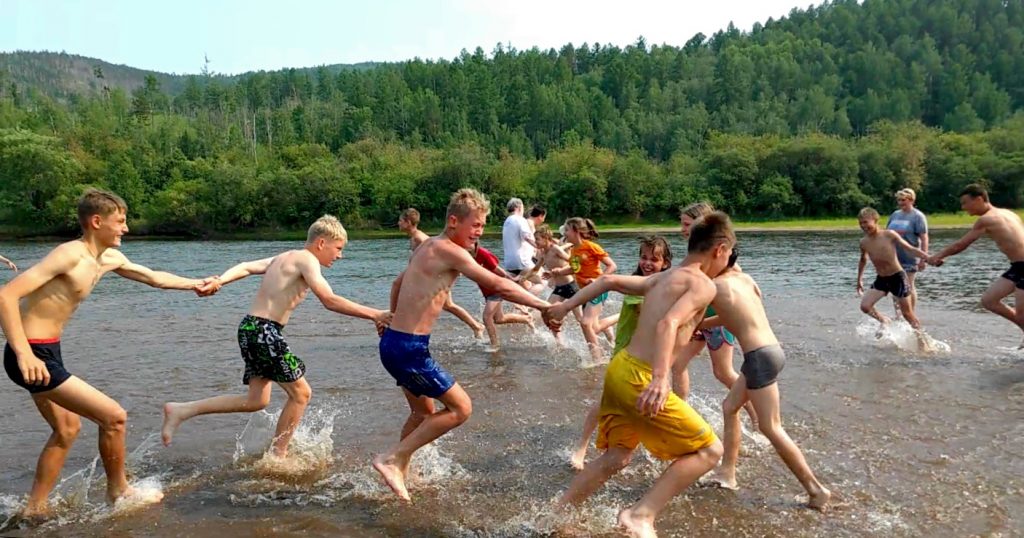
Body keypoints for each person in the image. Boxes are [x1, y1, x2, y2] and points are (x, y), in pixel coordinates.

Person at [0, 189, 212, 518]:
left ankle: (33, 508)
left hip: (48, 350)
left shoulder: (108, 258)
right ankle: (119, 492)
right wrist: (25, 354)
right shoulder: (69, 255)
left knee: (67, 430)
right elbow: (6, 296)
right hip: (30, 354)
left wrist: (197, 283)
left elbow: (153, 278)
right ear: (97, 222)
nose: (125, 229)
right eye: (120, 222)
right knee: (114, 417)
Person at [543, 213, 735, 538]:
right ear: (719, 249)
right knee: (709, 451)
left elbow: (607, 281)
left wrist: (564, 307)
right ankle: (640, 516)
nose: (729, 260)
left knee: (618, 456)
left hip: (620, 368)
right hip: (641, 377)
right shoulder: (702, 284)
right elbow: (668, 323)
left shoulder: (665, 278)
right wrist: (661, 378)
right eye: (729, 254)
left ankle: (556, 514)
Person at [373, 189, 553, 502]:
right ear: (454, 221)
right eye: (476, 226)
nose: (480, 232)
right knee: (461, 408)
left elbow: (398, 284)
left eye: (483, 226)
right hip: (409, 349)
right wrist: (545, 307)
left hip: (396, 344)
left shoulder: (427, 246)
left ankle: (402, 468)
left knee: (422, 413)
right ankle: (392, 459)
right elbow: (497, 285)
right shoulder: (449, 250)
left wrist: (390, 316)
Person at [160, 216, 392, 458]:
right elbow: (329, 300)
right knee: (301, 394)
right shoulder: (307, 259)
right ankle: (278, 455)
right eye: (339, 248)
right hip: (264, 331)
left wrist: (220, 279)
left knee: (256, 401)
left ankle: (182, 410)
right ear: (321, 243)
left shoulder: (283, 257)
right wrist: (376, 314)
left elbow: (246, 266)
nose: (340, 256)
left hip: (250, 329)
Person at [699, 253, 831, 511]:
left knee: (771, 427)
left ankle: (816, 490)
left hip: (758, 358)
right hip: (771, 351)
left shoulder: (716, 287)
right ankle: (728, 472)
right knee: (729, 407)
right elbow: (736, 316)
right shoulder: (744, 279)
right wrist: (702, 323)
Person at [564, 235, 673, 471]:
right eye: (643, 257)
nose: (647, 263)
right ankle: (581, 447)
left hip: (651, 358)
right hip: (626, 354)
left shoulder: (666, 285)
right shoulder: (637, 283)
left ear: (665, 263)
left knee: (653, 401)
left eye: (653, 259)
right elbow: (650, 312)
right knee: (606, 399)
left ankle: (648, 448)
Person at [670, 202, 754, 428]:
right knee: (677, 364)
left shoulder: (721, 255)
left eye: (686, 224)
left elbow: (738, 277)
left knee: (723, 372)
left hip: (718, 321)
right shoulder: (695, 249)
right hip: (698, 319)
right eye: (682, 224)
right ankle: (680, 414)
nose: (682, 229)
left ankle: (758, 416)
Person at [928, 183, 1024, 346]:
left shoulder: (986, 219)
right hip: (1017, 267)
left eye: (965, 202)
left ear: (979, 199)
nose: (963, 207)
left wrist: (938, 256)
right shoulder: (1008, 213)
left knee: (1022, 315)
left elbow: (961, 244)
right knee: (989, 300)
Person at [397, 208, 484, 339]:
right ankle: (475, 326)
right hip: (432, 277)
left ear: (408, 222)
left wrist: (453, 269)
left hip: (439, 276)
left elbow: (438, 252)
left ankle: (476, 326)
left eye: (400, 220)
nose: (398, 223)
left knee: (448, 304)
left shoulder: (420, 238)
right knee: (447, 305)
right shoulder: (414, 238)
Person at [551, 218, 617, 362]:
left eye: (567, 230)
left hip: (598, 289)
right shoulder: (574, 250)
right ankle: (620, 316)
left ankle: (596, 359)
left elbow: (612, 266)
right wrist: (558, 272)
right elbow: (574, 269)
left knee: (585, 323)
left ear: (576, 231)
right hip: (585, 292)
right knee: (594, 327)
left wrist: (599, 281)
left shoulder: (591, 246)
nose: (564, 234)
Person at [856, 207, 929, 336]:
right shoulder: (864, 242)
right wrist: (859, 280)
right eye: (861, 223)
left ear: (875, 220)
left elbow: (910, 248)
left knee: (907, 314)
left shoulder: (889, 235)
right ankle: (884, 320)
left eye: (866, 222)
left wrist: (927, 257)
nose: (863, 226)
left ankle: (922, 340)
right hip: (882, 279)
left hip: (898, 278)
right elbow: (863, 260)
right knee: (865, 306)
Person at [518, 225, 581, 343]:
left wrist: (557, 272)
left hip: (571, 287)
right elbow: (536, 269)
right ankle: (559, 341)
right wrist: (524, 278)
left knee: (580, 319)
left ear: (546, 238)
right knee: (547, 313)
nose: (535, 242)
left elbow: (574, 263)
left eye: (537, 239)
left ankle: (597, 336)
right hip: (559, 289)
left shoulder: (555, 249)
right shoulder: (542, 253)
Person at [470, 240, 534, 351]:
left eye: (469, 244)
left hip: (496, 288)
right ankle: (526, 319)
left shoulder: (483, 253)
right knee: (499, 319)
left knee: (486, 317)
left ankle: (494, 345)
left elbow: (498, 269)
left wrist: (512, 279)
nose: (466, 247)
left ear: (475, 244)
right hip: (487, 291)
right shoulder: (466, 256)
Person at [886, 188, 929, 316]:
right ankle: (898, 315)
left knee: (908, 285)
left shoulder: (917, 216)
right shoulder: (895, 214)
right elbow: (887, 234)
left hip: (910, 256)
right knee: (895, 286)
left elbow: (924, 238)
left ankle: (910, 314)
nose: (900, 203)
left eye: (903, 200)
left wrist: (923, 258)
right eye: (898, 200)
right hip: (894, 256)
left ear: (911, 200)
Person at [501, 198, 536, 276]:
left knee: (523, 284)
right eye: (523, 208)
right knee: (542, 281)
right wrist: (539, 246)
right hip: (522, 261)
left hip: (509, 263)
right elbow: (527, 237)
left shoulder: (507, 221)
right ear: (519, 207)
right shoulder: (520, 219)